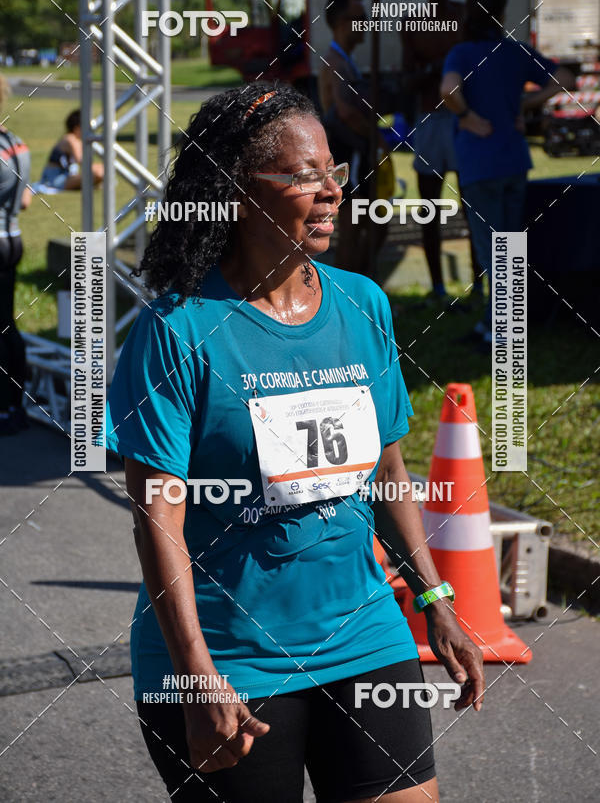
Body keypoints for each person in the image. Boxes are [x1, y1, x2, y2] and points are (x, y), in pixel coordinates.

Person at [105, 83, 485, 802]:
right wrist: (196, 675)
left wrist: (437, 599)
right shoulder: (179, 329)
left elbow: (388, 474)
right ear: (239, 192)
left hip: (365, 633)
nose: (333, 192)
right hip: (230, 655)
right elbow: (160, 520)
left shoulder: (361, 303)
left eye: (335, 173)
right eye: (306, 177)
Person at [440, 0, 575, 346]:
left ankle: (501, 334)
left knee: (493, 254)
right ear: (500, 15)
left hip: (480, 166)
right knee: (509, 249)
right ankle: (494, 327)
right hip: (514, 162)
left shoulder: (462, 53)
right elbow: (566, 79)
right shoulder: (514, 52)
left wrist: (466, 116)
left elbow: (448, 90)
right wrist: (525, 106)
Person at [401, 0, 482, 303]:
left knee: (472, 206)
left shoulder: (466, 15)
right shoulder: (411, 22)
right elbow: (408, 77)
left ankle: (480, 283)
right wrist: (440, 70)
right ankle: (437, 286)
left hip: (464, 120)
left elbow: (476, 67)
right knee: (430, 207)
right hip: (431, 121)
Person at [319, 0, 388, 274]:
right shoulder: (335, 62)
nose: (366, 24)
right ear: (339, 22)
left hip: (354, 152)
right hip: (349, 153)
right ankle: (349, 298)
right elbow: (345, 112)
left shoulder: (345, 60)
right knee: (355, 225)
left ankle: (359, 291)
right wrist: (379, 139)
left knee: (373, 224)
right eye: (359, 18)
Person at [0, 74, 32, 434]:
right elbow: (24, 199)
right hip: (12, 237)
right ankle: (14, 405)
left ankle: (6, 407)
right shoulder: (16, 142)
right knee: (7, 326)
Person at [37, 109, 103, 192]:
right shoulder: (71, 139)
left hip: (65, 175)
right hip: (55, 179)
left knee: (101, 171)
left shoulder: (76, 140)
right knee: (99, 173)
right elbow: (82, 162)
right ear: (77, 128)